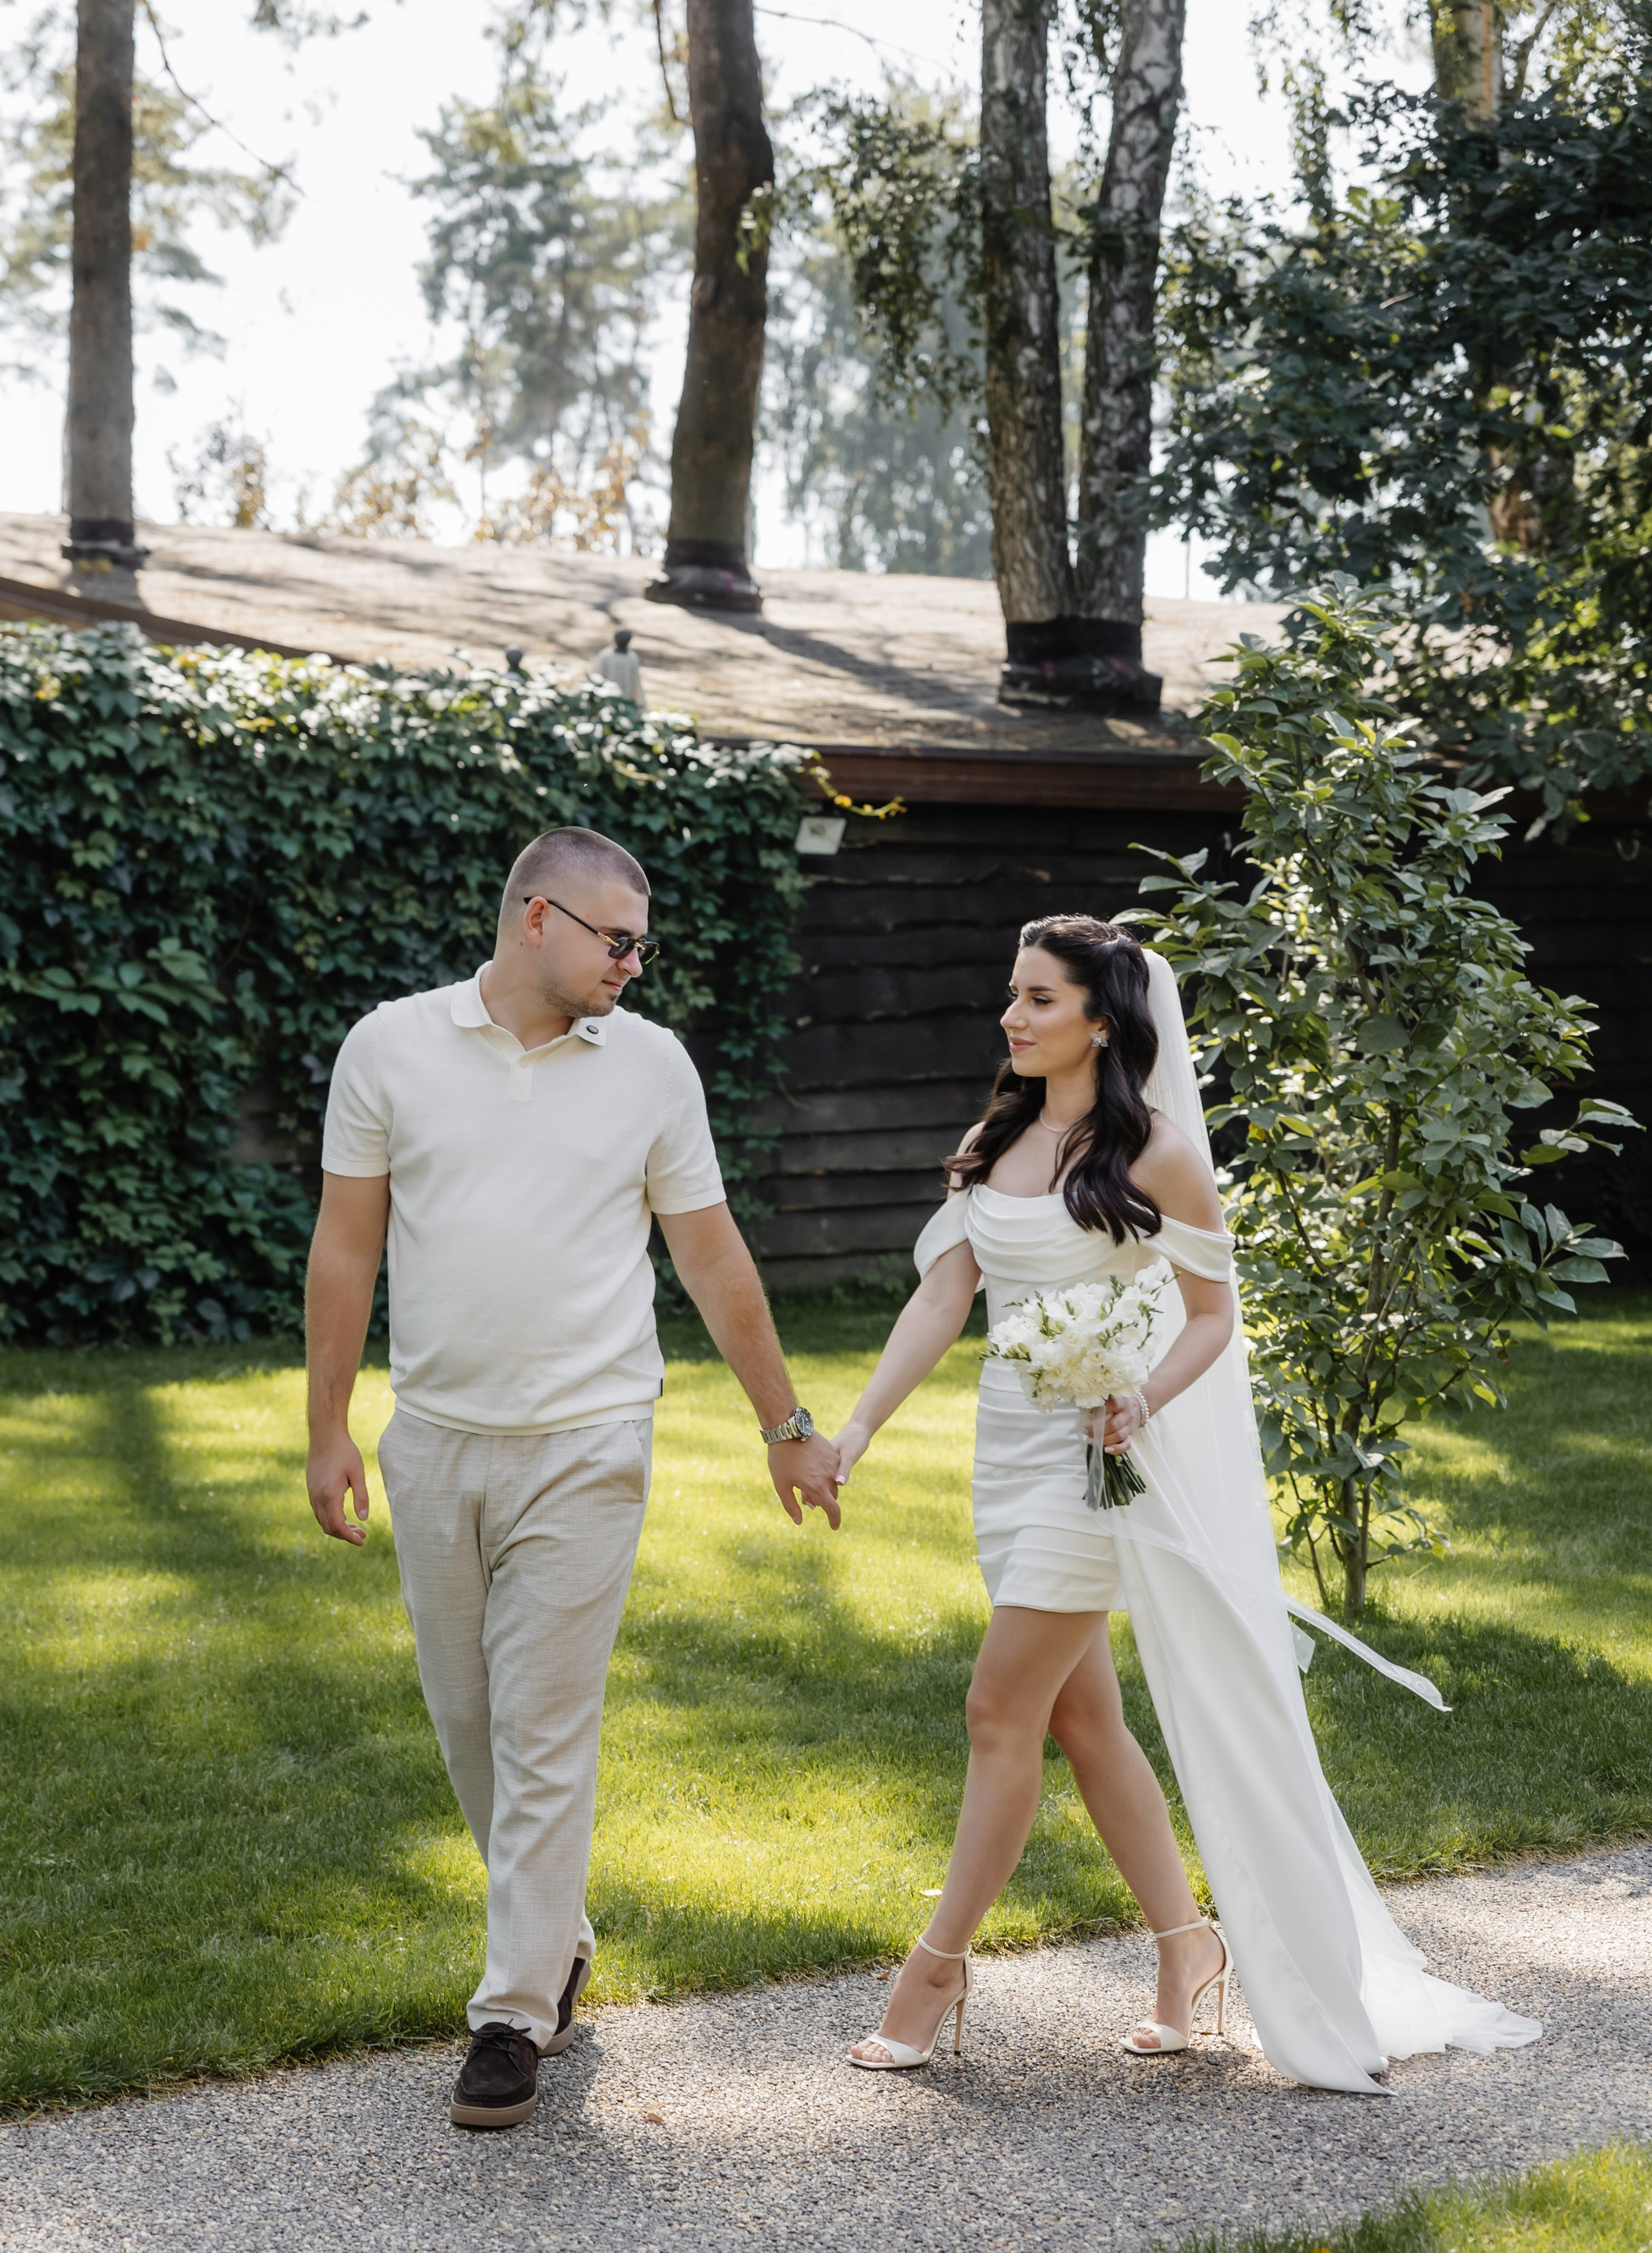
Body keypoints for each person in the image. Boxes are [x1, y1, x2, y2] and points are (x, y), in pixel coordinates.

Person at [832, 915, 1541, 2089]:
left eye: (1040, 998)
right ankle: (1188, 1947)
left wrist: (1140, 1397)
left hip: (1097, 1470)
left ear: (1102, 1020)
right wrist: (857, 1429)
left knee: (997, 1711)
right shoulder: (994, 1140)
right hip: (1006, 1461)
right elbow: (942, 1299)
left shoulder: (1156, 1154)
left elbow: (1213, 1317)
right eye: (1012, 993)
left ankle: (936, 1968)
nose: (1013, 1016)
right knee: (1080, 1721)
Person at [305, 825, 841, 2128]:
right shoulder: (390, 1046)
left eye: (642, 946)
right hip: (435, 1439)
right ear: (537, 917)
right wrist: (328, 1428)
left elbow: (709, 1254)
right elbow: (345, 1246)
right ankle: (558, 1938)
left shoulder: (651, 1067)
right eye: (618, 940)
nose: (633, 965)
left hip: (591, 1441)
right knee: (469, 1723)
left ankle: (510, 2015)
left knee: (543, 1725)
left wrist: (783, 1421)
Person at [592, 625, 645, 707]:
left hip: (625, 700)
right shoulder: (607, 656)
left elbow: (635, 681)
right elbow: (597, 677)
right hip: (606, 699)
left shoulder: (632, 658)